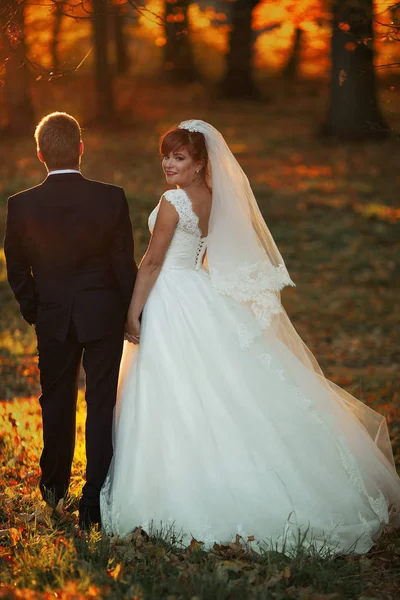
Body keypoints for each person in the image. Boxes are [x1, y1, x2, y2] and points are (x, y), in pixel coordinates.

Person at [100, 119, 400, 555]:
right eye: (166, 155)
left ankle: (176, 487)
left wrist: (132, 312)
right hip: (197, 291)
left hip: (171, 296)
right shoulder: (214, 198)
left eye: (179, 156)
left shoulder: (173, 201)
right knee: (211, 388)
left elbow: (150, 263)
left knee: (172, 388)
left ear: (201, 162)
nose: (169, 163)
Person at [4, 112, 137, 529]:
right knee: (100, 403)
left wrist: (35, 310)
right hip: (104, 317)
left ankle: (54, 489)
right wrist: (130, 310)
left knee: (55, 401)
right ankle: (94, 497)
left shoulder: (21, 204)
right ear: (81, 148)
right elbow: (122, 264)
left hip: (54, 318)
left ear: (40, 153)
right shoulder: (111, 197)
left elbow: (16, 267)